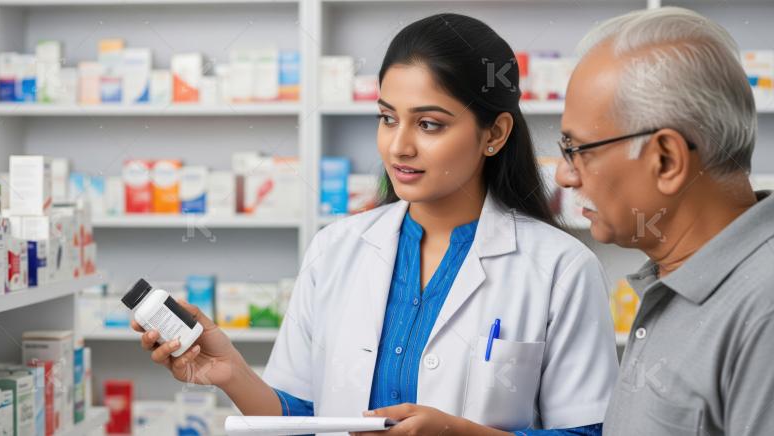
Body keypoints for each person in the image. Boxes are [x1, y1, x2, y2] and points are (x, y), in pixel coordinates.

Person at [135, 13, 618, 435]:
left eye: (429, 124)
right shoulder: (335, 249)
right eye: (388, 118)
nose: (399, 146)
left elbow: (587, 433)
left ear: (494, 133)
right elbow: (301, 419)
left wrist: (457, 433)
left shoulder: (561, 268)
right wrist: (229, 372)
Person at [555, 6, 774, 436]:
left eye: (578, 149)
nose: (565, 174)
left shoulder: (762, 314)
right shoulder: (677, 281)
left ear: (666, 159)